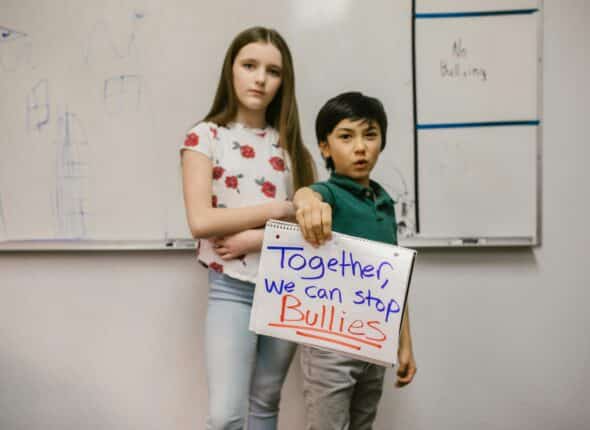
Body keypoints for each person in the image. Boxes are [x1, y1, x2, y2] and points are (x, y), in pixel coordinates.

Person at [180, 27, 315, 430]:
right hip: (232, 288)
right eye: (250, 65)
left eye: (273, 71)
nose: (260, 78)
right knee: (225, 415)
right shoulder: (204, 137)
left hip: (285, 285)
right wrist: (280, 208)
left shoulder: (292, 147)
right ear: (231, 70)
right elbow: (201, 221)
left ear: (283, 81)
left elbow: (313, 231)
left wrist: (257, 237)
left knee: (265, 403)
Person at [293, 92, 417, 430]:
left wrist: (404, 343)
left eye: (370, 135)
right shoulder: (328, 194)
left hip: (374, 341)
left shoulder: (385, 202)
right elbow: (308, 196)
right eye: (346, 137)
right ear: (325, 147)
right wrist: (305, 199)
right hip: (330, 346)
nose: (360, 147)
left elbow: (394, 277)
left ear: (382, 142)